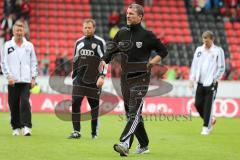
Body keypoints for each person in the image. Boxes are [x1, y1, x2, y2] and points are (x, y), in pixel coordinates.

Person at [96, 4, 168, 156]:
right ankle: (144, 144)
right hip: (125, 79)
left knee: (134, 113)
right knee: (132, 114)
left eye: (132, 14)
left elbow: (163, 50)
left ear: (140, 17)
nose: (128, 16)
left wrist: (152, 62)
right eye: (127, 13)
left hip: (141, 78)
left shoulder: (147, 35)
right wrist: (102, 75)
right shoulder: (121, 33)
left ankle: (124, 143)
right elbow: (106, 56)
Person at [68, 19, 106, 139]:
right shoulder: (78, 42)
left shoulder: (100, 42)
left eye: (89, 28)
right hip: (79, 79)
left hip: (94, 80)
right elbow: (75, 59)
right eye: (85, 27)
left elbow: (105, 60)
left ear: (94, 28)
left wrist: (102, 76)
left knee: (94, 107)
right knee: (75, 103)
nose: (87, 30)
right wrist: (74, 75)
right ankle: (76, 131)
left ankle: (94, 133)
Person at [0, 20, 38, 136]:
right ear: (13, 31)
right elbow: (3, 62)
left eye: (21, 30)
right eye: (17, 30)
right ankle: (16, 127)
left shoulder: (29, 46)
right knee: (13, 104)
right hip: (13, 80)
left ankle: (27, 127)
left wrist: (33, 78)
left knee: (25, 102)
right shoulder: (7, 45)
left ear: (24, 31)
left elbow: (33, 62)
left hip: (26, 80)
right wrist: (8, 76)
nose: (19, 32)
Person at [189, 30, 225, 135]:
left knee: (208, 105)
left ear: (212, 39)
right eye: (204, 39)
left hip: (211, 83)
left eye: (207, 40)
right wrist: (191, 79)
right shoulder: (199, 50)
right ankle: (210, 119)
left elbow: (221, 67)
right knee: (197, 104)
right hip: (200, 82)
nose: (205, 42)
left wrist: (215, 78)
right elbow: (194, 65)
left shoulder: (218, 51)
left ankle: (206, 127)